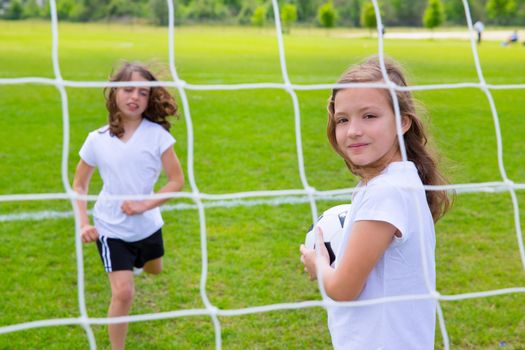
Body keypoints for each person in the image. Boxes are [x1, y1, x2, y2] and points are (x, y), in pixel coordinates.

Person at [300, 56, 451, 349]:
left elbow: (343, 288)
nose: (353, 130)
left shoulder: (387, 192)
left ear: (403, 122)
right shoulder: (400, 181)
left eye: (369, 116)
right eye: (343, 119)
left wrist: (318, 264)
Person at [73, 62, 184, 350]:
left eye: (143, 92)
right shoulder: (96, 140)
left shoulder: (158, 136)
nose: (135, 96)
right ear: (114, 94)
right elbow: (80, 185)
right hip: (110, 228)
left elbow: (176, 181)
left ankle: (139, 263)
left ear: (150, 99)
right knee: (123, 293)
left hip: (148, 226)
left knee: (154, 269)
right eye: (127, 89)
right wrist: (84, 222)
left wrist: (145, 204)